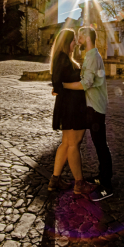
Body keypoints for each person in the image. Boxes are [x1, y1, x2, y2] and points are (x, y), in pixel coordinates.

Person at [62, 26, 113, 201]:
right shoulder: (91, 55)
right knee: (99, 144)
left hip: (95, 107)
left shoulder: (92, 57)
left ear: (87, 37)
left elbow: (86, 84)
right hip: (93, 106)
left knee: (100, 145)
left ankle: (107, 184)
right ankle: (102, 176)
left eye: (80, 35)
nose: (78, 38)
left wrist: (63, 86)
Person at [48, 28, 92, 195]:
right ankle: (79, 183)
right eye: (73, 40)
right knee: (73, 144)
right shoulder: (62, 58)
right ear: (67, 42)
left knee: (67, 143)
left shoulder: (65, 58)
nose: (75, 43)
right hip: (70, 106)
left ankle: (55, 180)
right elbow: (57, 83)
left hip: (71, 105)